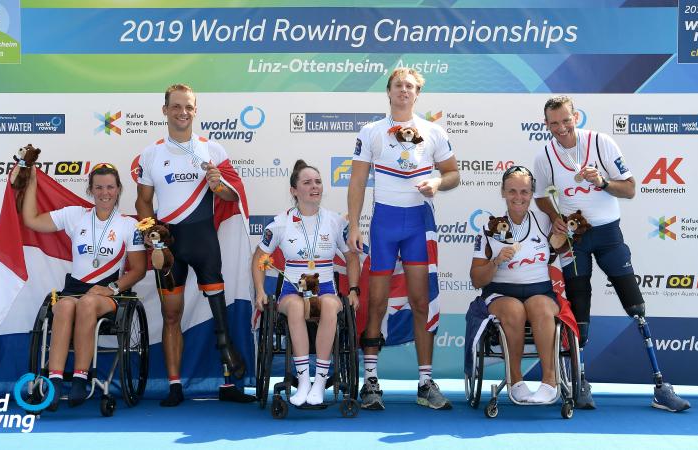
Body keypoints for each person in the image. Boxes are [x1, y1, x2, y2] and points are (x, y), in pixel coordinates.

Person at [533, 95, 690, 412]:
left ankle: (662, 387)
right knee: (579, 311)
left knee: (636, 305)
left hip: (608, 234)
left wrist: (603, 182)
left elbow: (630, 188)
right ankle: (580, 383)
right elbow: (539, 198)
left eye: (566, 120)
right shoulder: (545, 155)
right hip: (575, 240)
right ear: (546, 125)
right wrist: (557, 217)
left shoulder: (601, 142)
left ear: (576, 117)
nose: (561, 128)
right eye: (554, 124)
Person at [347, 68, 460, 410]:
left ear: (417, 94)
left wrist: (438, 183)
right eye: (398, 85)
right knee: (376, 303)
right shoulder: (372, 131)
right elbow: (356, 182)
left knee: (421, 302)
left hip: (418, 224)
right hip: (384, 223)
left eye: (409, 86)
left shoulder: (433, 131)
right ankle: (370, 381)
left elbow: (453, 173)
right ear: (388, 91)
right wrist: (354, 225)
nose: (403, 91)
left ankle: (425, 382)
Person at [135, 83, 251, 406]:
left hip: (204, 242)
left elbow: (233, 196)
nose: (182, 113)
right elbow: (143, 201)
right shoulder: (151, 154)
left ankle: (229, 383)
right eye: (176, 107)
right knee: (171, 315)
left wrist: (219, 184)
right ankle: (175, 385)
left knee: (220, 316)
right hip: (170, 248)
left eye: (188, 107)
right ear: (165, 110)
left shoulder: (213, 150)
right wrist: (151, 234)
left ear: (195, 111)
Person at [21, 163, 146, 410]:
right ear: (90, 190)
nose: (104, 192)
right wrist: (32, 181)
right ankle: (55, 380)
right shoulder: (75, 215)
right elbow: (31, 220)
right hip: (74, 289)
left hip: (107, 293)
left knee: (87, 303)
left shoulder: (129, 225)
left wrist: (111, 288)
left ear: (119, 189)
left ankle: (80, 376)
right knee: (65, 307)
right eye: (98, 187)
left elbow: (139, 270)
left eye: (110, 187)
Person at [252, 160, 361, 406]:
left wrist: (354, 289)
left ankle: (320, 380)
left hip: (324, 288)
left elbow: (352, 258)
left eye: (318, 182)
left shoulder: (334, 221)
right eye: (307, 182)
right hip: (292, 288)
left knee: (331, 306)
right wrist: (260, 290)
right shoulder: (280, 222)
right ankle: (303, 380)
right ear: (294, 191)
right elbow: (259, 257)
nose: (315, 187)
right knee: (296, 307)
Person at [470, 166, 561, 404]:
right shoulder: (489, 228)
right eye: (512, 191)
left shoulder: (545, 222)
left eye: (524, 191)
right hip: (500, 294)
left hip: (540, 290)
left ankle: (549, 381)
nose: (518, 197)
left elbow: (564, 245)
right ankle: (516, 378)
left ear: (532, 194)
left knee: (540, 306)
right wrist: (496, 262)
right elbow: (476, 279)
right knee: (514, 309)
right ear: (502, 192)